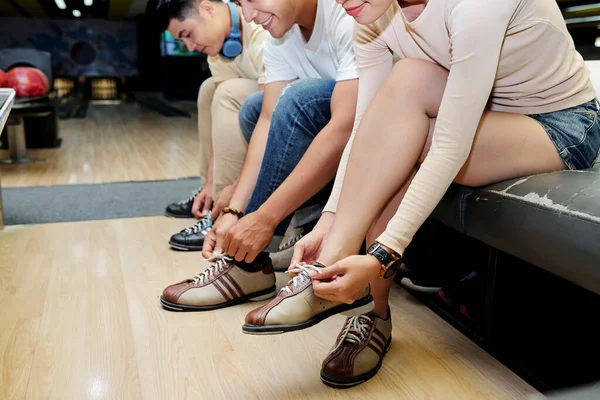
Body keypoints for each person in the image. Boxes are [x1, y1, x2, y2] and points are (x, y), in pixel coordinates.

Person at [244, 0, 600, 388]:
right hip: (484, 113)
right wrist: (330, 219)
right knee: (403, 89)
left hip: (559, 126)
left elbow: (448, 146)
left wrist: (382, 254)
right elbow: (366, 128)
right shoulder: (367, 15)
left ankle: (358, 294)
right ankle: (349, 286)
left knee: (401, 139)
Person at [159, 0, 373, 317]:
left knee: (297, 98)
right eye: (241, 3)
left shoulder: (346, 11)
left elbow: (345, 126)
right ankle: (257, 256)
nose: (247, 15)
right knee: (254, 108)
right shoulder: (278, 32)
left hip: (379, 124)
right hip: (340, 122)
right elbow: (267, 120)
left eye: (251, 0)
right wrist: (235, 211)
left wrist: (264, 220)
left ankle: (249, 260)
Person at [146, 0, 267, 251]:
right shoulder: (219, 46)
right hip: (261, 98)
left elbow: (272, 112)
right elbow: (219, 124)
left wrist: (233, 190)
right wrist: (210, 183)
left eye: (188, 34)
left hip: (288, 100)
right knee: (208, 90)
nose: (191, 46)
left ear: (207, 9)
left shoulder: (259, 28)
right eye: (182, 41)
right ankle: (209, 197)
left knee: (228, 93)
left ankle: (225, 212)